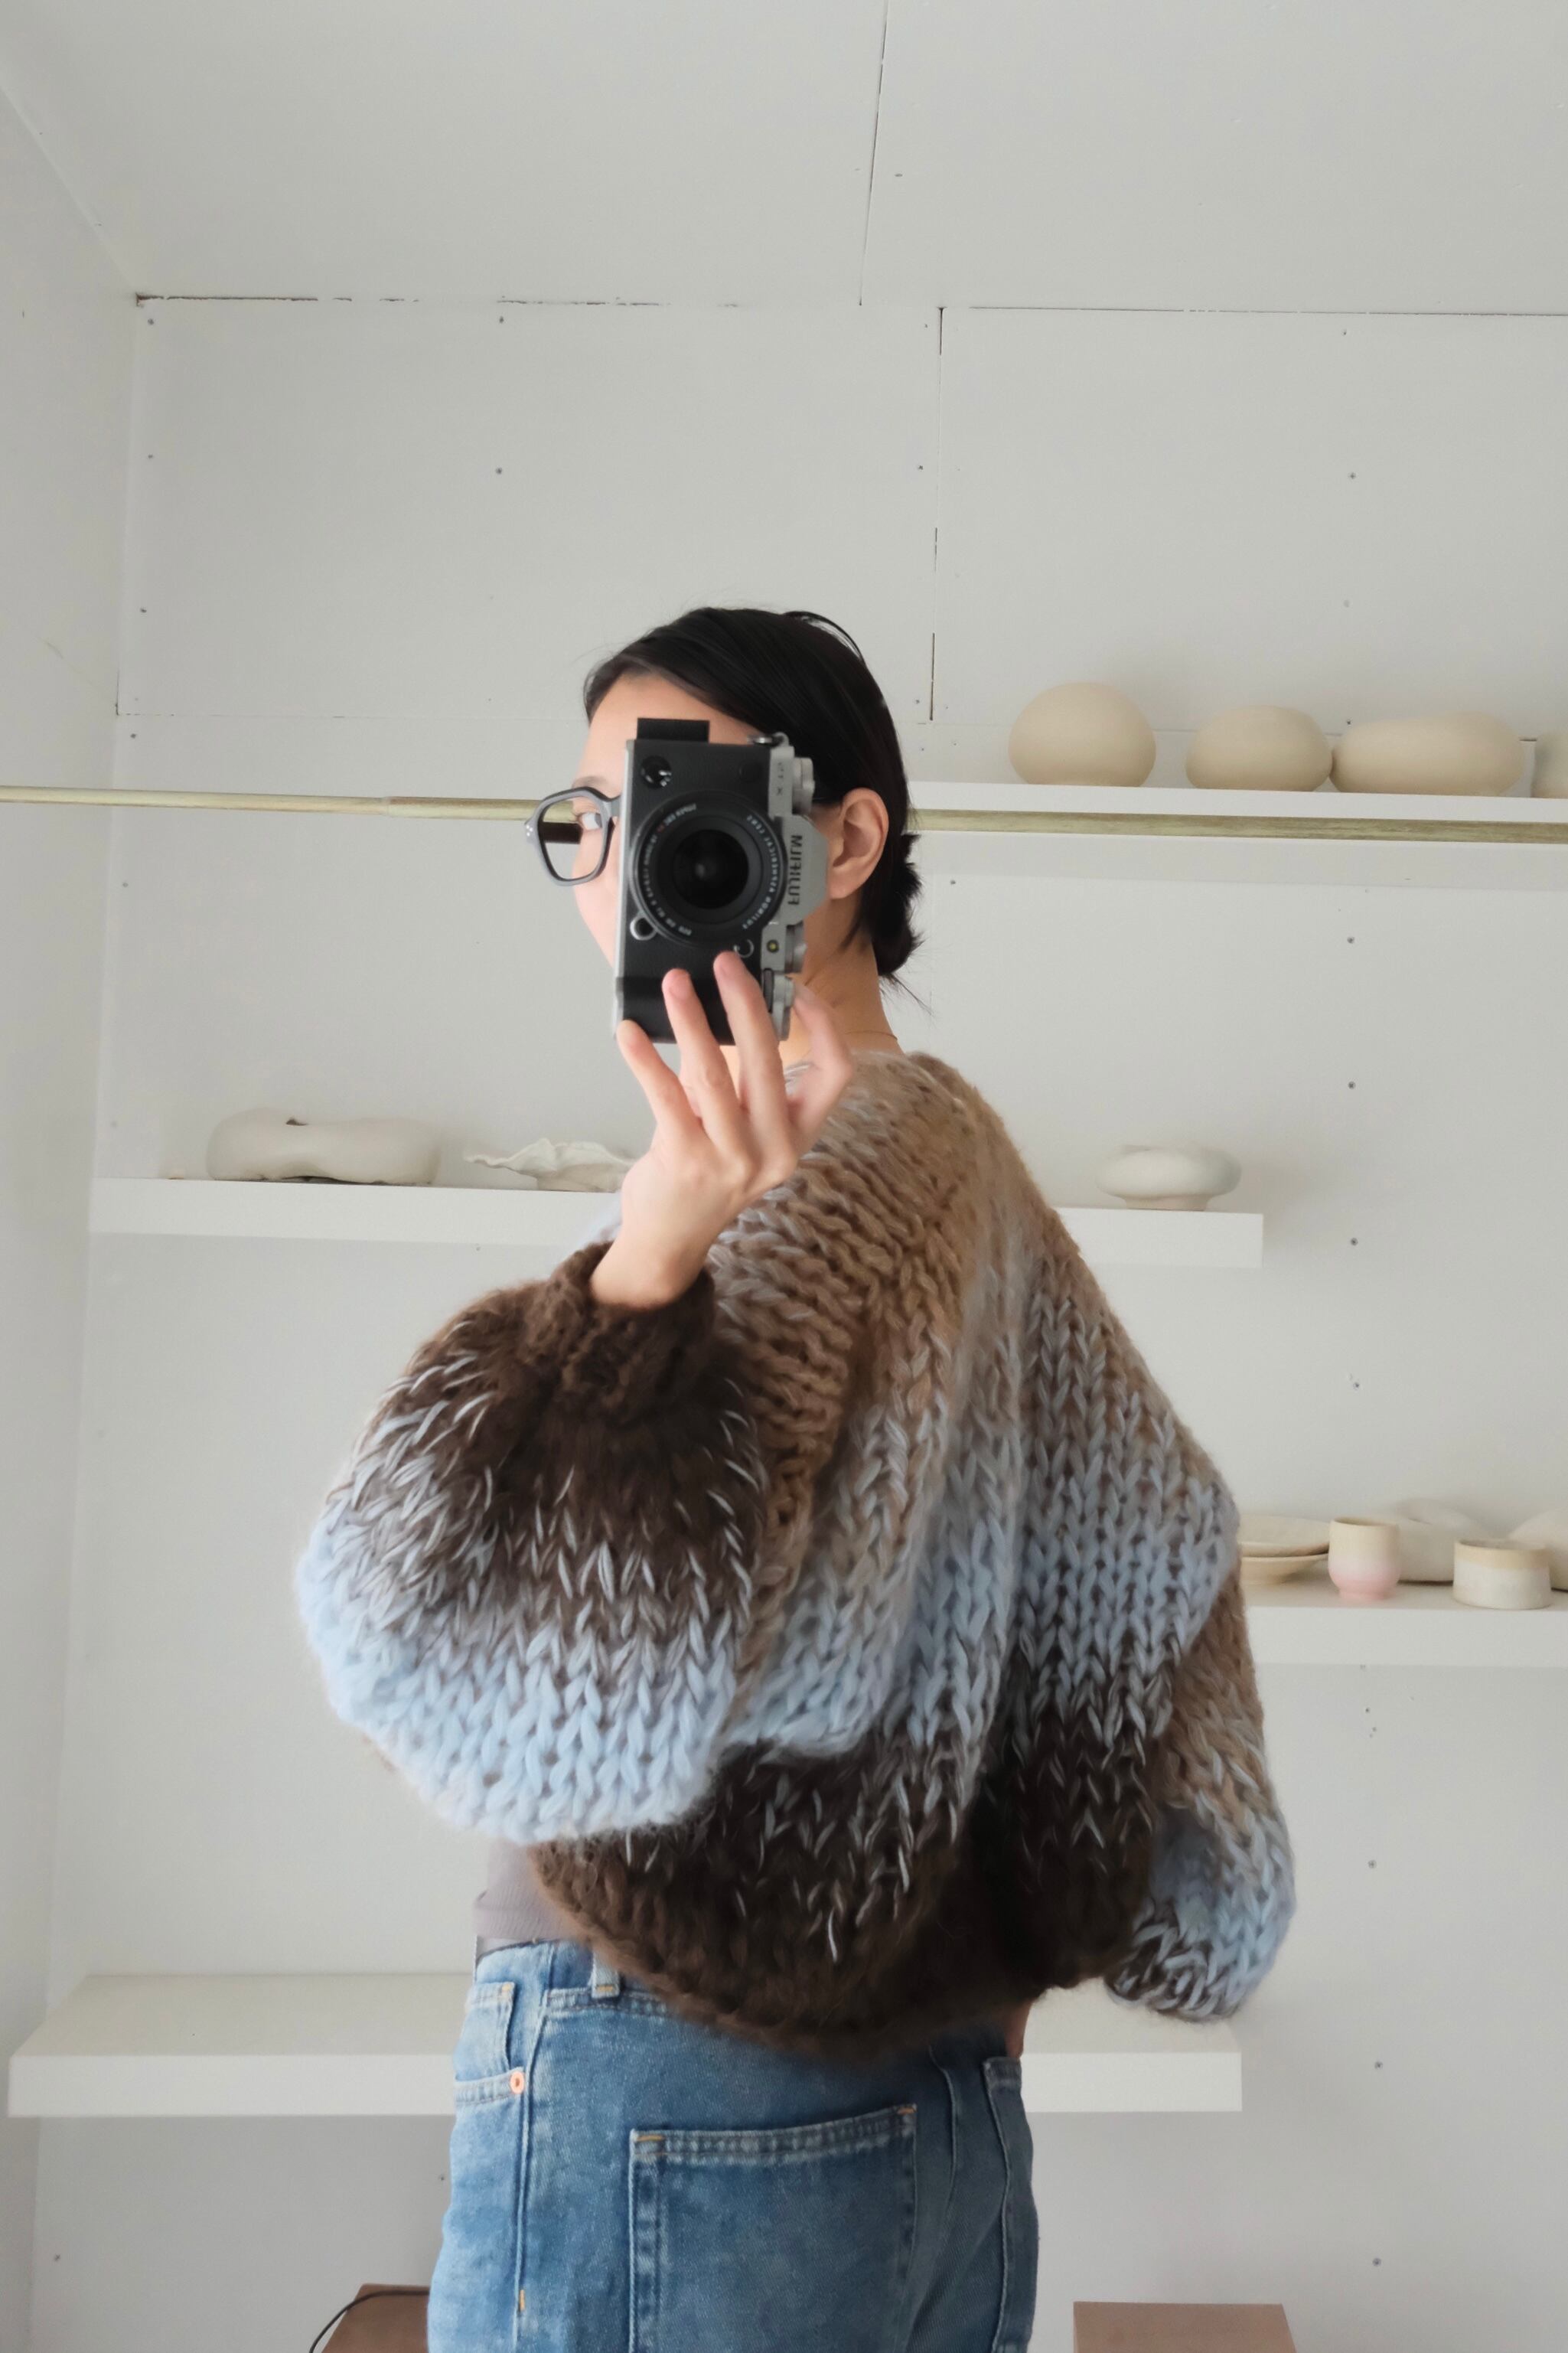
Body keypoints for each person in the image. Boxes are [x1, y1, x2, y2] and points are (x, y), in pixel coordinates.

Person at [294, 607, 1296, 2352]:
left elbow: (427, 1638)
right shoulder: (963, 1168)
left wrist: (635, 1282)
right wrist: (985, 1958)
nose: (623, 861)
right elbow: (1148, 1558)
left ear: (840, 841)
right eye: (589, 818)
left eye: (682, 802)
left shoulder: (803, 1180)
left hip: (667, 2059)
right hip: (931, 2106)